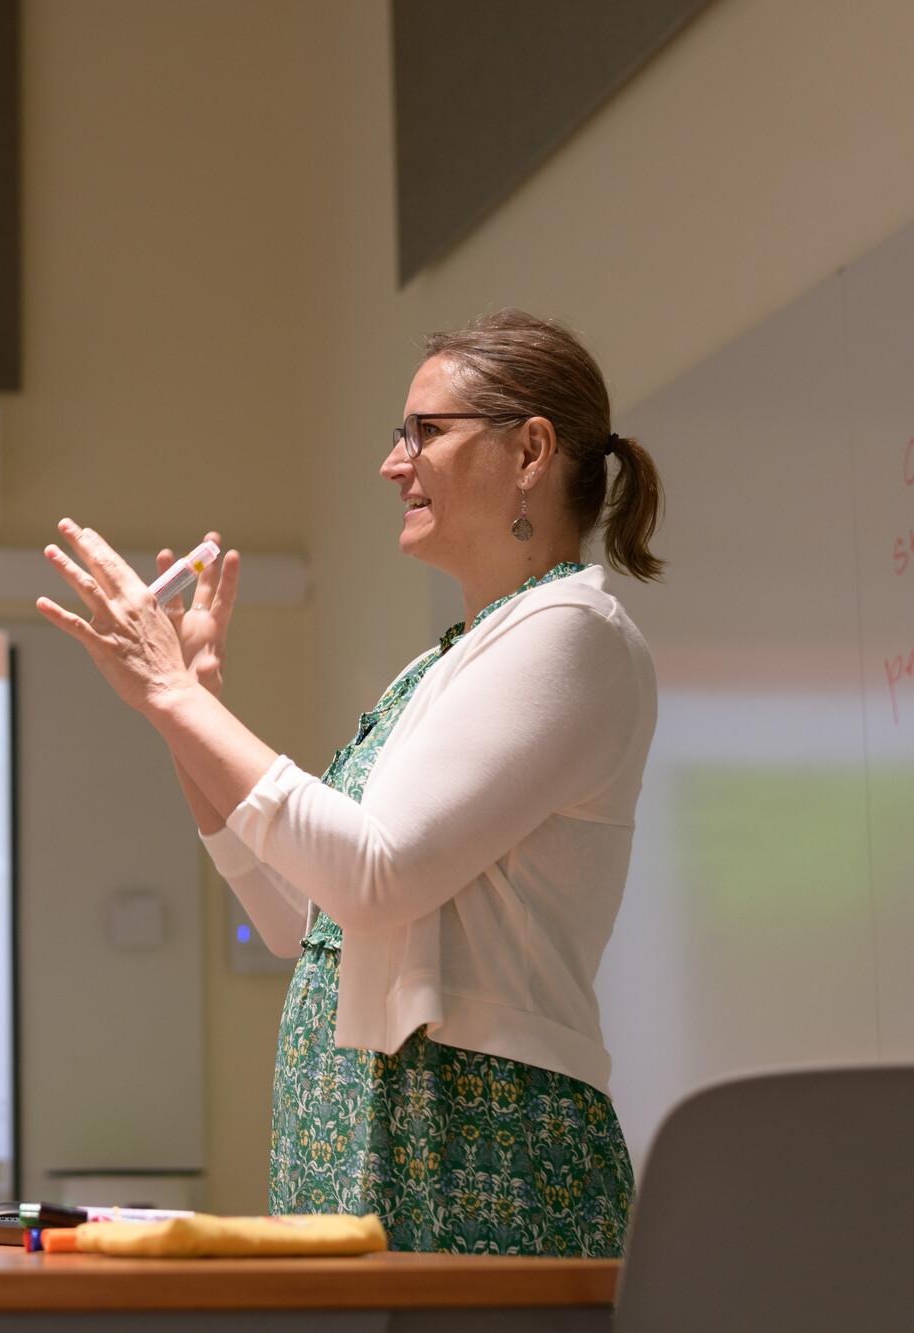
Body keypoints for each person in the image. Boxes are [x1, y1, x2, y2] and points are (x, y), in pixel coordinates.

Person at [34, 309, 663, 1255]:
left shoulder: (574, 630)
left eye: (424, 431)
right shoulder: (438, 664)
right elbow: (299, 915)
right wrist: (188, 707)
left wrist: (172, 695)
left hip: (478, 1145)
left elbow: (377, 873)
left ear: (530, 451)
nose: (391, 464)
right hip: (363, 1136)